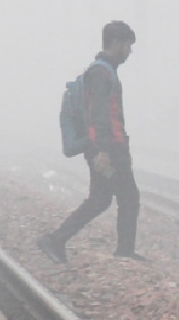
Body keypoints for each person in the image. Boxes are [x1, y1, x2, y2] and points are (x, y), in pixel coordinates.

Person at [37, 20, 144, 263]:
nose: (129, 51)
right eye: (127, 45)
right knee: (128, 197)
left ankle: (57, 240)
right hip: (108, 151)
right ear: (115, 43)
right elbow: (99, 116)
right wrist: (103, 151)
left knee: (101, 199)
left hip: (104, 148)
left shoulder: (103, 71)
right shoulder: (100, 74)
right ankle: (124, 252)